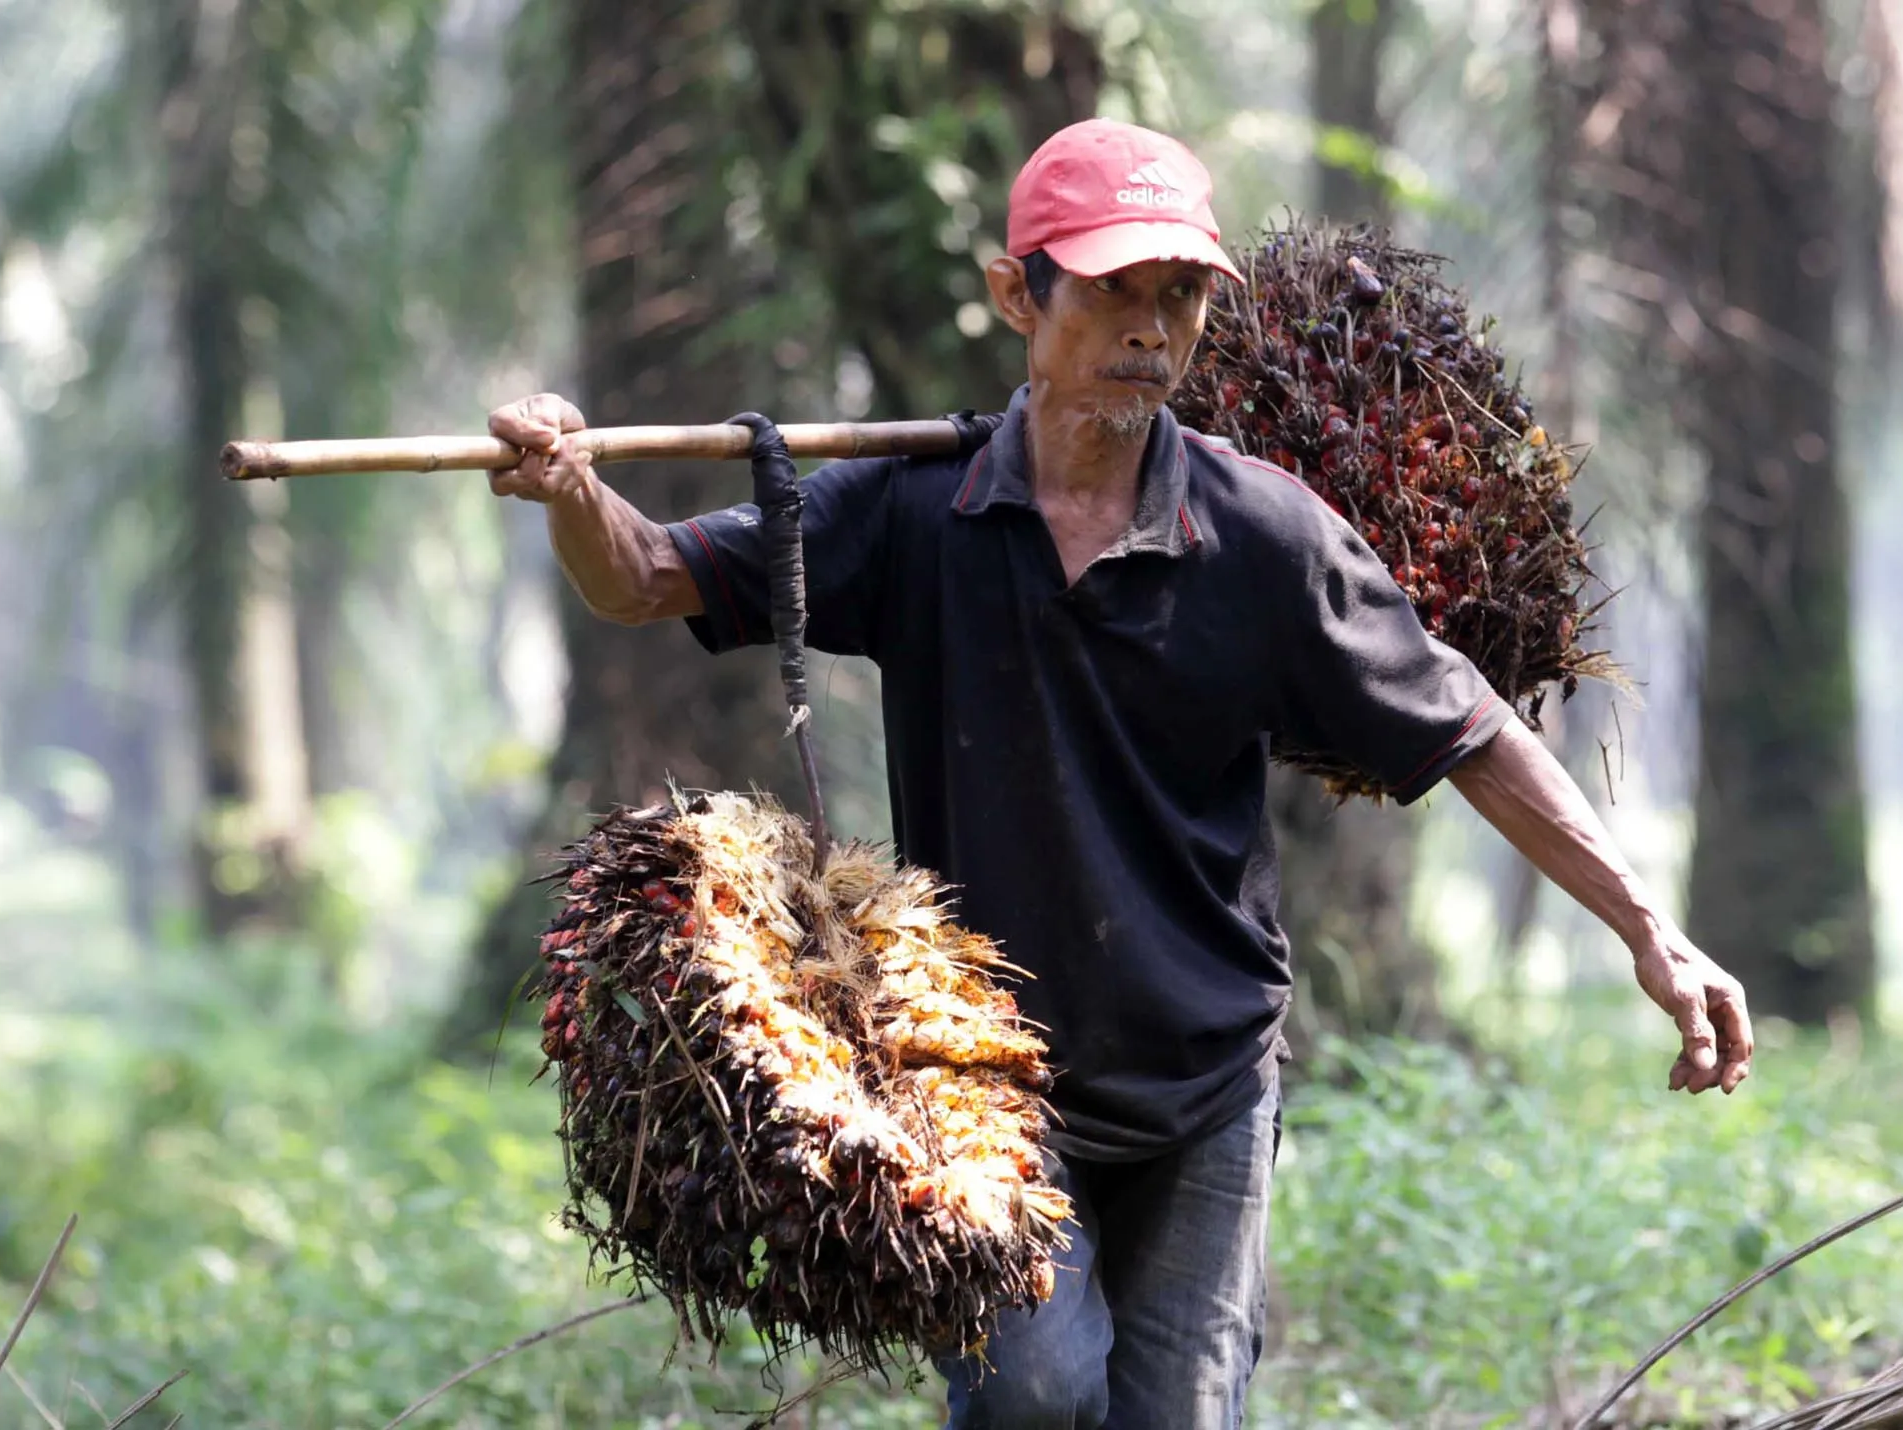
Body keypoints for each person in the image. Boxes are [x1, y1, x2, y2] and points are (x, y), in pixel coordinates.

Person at [486, 117, 1753, 1430]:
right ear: (1012, 295)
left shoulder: (1262, 537)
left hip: (1203, 1081)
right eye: (1109, 291)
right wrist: (569, 481)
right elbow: (642, 575)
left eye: (1179, 295)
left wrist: (1649, 930)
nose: (1149, 329)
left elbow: (1470, 731)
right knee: (1033, 1395)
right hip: (979, 1087)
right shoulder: (910, 516)